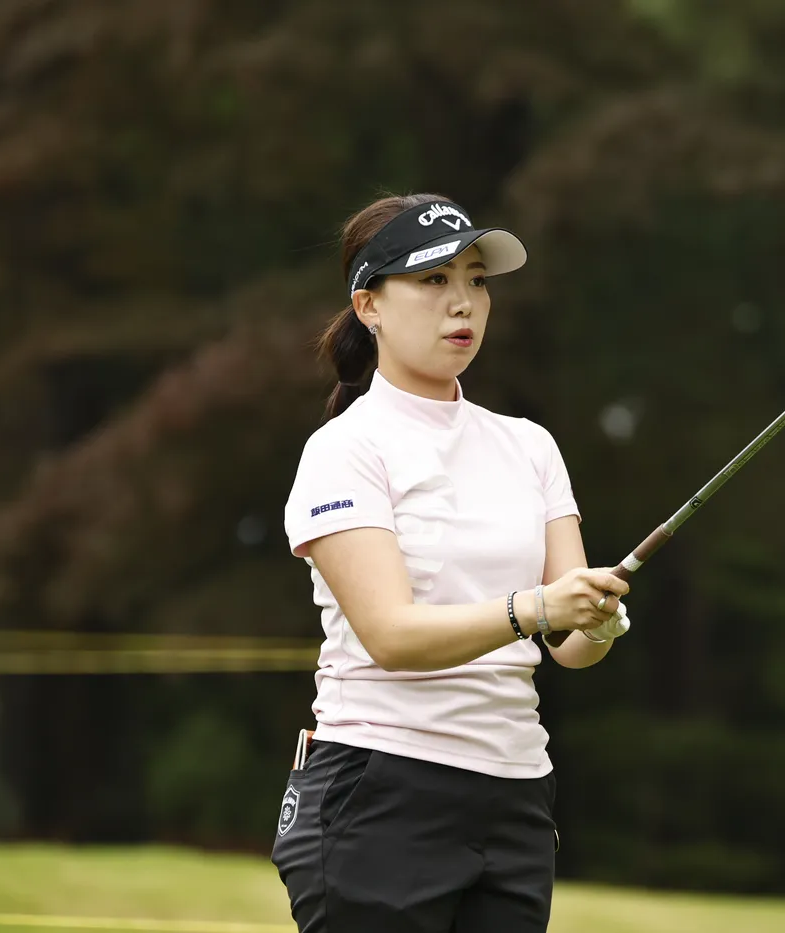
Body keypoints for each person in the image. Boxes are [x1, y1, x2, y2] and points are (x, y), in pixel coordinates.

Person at [270, 193, 632, 933]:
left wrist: (598, 619)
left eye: (476, 280)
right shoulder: (344, 450)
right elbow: (392, 636)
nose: (463, 302)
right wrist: (537, 608)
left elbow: (569, 645)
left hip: (515, 794)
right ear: (368, 305)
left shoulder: (530, 445)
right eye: (433, 279)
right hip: (378, 790)